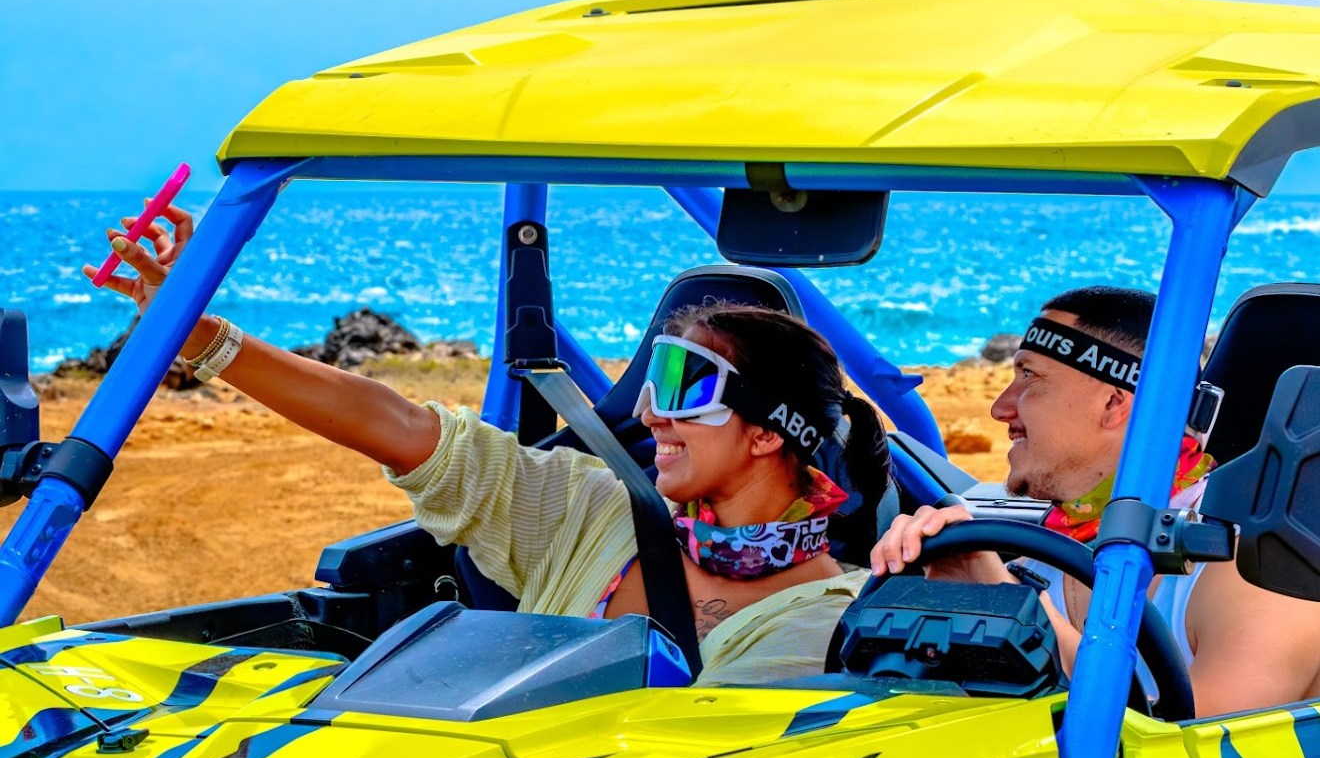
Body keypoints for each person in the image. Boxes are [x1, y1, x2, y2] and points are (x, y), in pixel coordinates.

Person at [85, 206, 890, 686]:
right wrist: (195, 330)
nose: (650, 414)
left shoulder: (829, 619)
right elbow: (397, 426)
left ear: (766, 433)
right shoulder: (596, 512)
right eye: (652, 381)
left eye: (684, 385)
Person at [871, 285, 1320, 717]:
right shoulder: (1044, 556)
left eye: (1030, 376)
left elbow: (1193, 755)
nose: (1001, 408)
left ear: (1113, 402)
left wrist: (1013, 609)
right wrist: (946, 603)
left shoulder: (1257, 562)